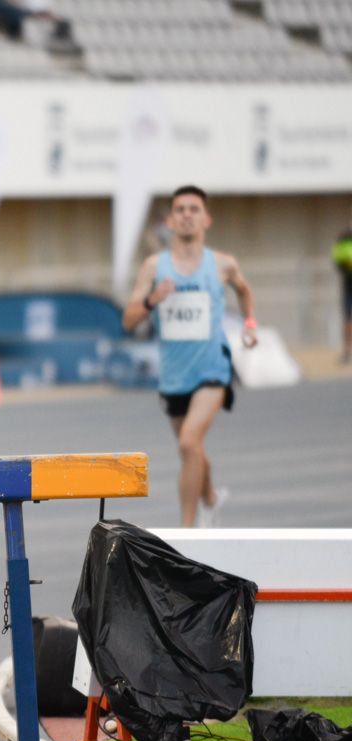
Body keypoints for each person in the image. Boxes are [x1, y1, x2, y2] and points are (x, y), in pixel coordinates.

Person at [122, 185, 257, 528]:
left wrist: (250, 322)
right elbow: (129, 320)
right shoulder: (155, 267)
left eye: (193, 209)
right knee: (191, 447)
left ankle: (188, 531)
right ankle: (211, 497)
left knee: (188, 441)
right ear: (170, 220)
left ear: (206, 218)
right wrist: (154, 298)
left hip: (212, 368)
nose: (186, 215)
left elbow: (244, 290)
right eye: (180, 209)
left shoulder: (223, 264)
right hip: (174, 375)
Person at [332, 211, 352, 365]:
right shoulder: (344, 238)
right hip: (349, 282)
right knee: (347, 319)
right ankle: (347, 351)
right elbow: (337, 259)